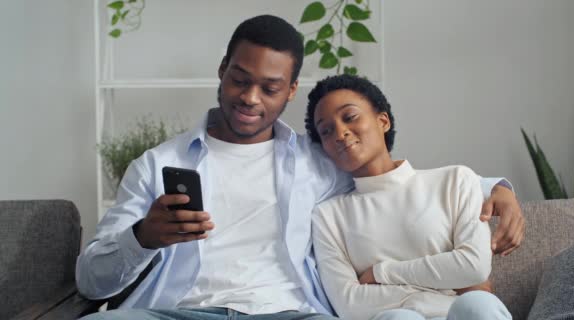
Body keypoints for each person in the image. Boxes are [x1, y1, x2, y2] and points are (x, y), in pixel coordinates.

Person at [77, 15, 523, 320]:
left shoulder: (319, 160)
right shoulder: (157, 165)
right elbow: (90, 281)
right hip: (175, 311)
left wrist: (494, 188)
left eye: (269, 87)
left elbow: (393, 182)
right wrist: (142, 238)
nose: (251, 98)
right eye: (240, 79)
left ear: (289, 92)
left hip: (292, 312)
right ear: (222, 70)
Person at [306, 74, 513, 320]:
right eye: (326, 131)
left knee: (477, 303)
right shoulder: (328, 215)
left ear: (383, 121)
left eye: (349, 117)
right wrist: (439, 290)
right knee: (399, 318)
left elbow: (474, 267)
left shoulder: (456, 180)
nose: (340, 133)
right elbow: (349, 305)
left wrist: (381, 273)